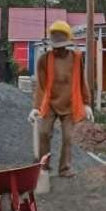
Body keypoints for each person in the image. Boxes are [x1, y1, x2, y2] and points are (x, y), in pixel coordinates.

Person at [28, 20, 94, 178]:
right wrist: (36, 107)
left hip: (70, 103)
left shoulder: (76, 58)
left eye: (61, 45)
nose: (58, 49)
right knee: (43, 133)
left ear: (67, 42)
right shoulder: (44, 60)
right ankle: (43, 168)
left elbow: (81, 82)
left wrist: (86, 103)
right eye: (55, 45)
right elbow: (41, 86)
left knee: (68, 137)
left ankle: (64, 169)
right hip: (50, 103)